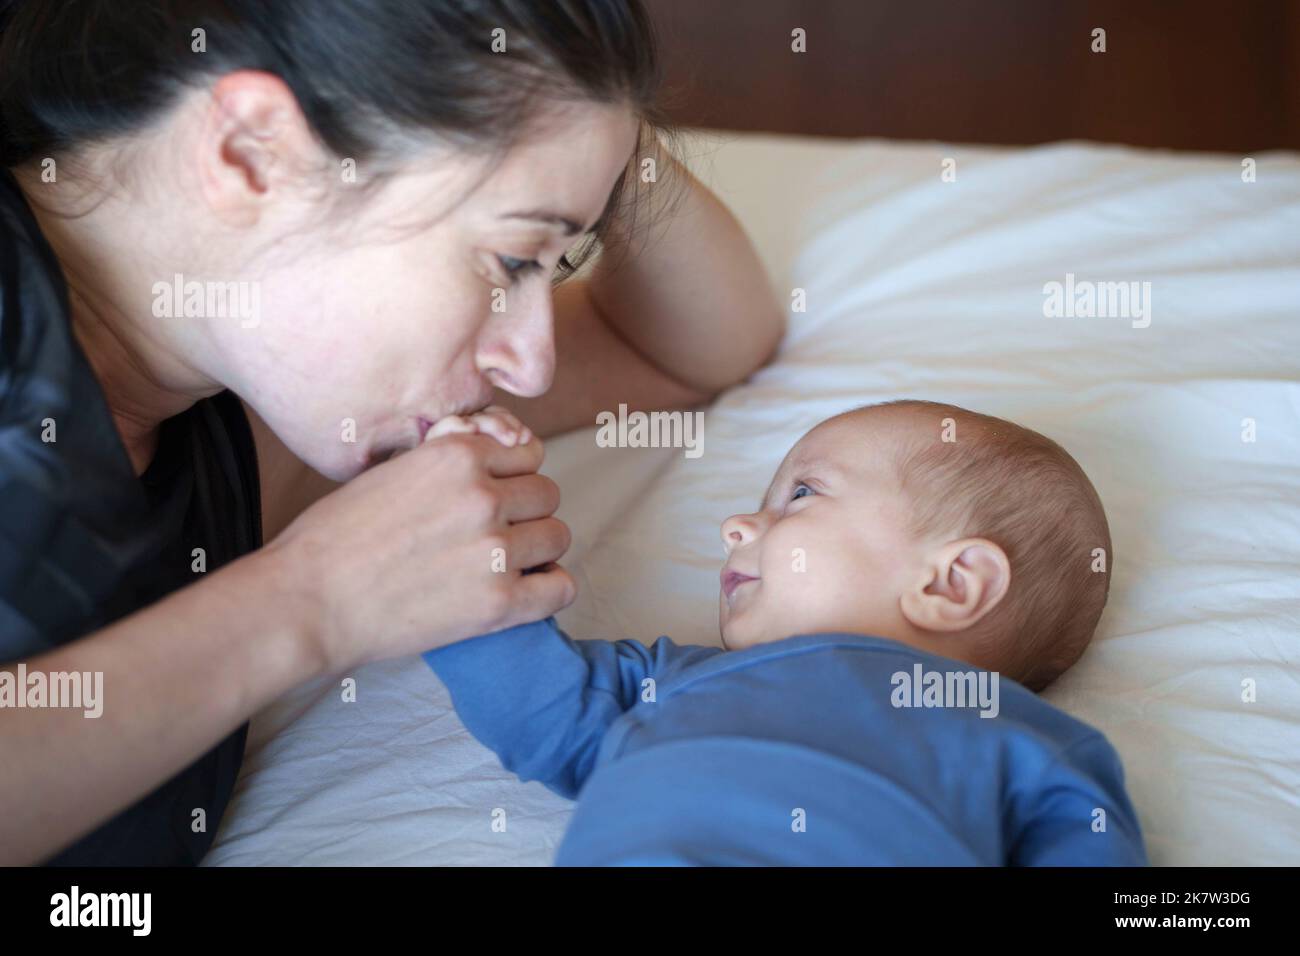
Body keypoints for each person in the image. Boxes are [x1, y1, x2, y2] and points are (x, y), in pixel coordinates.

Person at [0, 0, 783, 865]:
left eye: (550, 265)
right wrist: (317, 599)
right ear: (251, 154)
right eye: (510, 259)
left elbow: (686, 351)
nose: (532, 364)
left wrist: (588, 133)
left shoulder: (224, 413)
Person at [424, 402, 1147, 864]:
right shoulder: (673, 679)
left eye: (801, 494)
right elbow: (535, 708)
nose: (736, 525)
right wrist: (470, 540)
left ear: (949, 584)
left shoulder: (1017, 737)